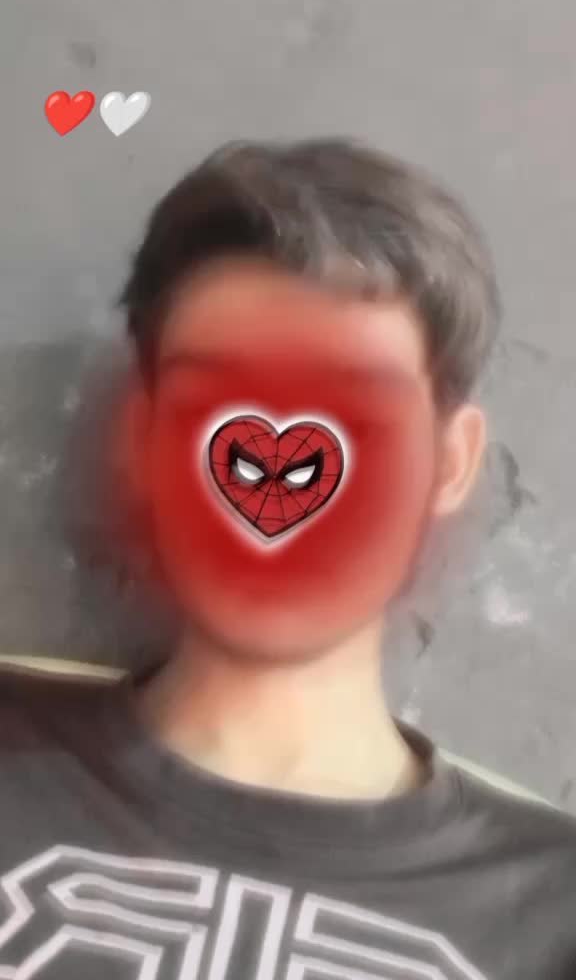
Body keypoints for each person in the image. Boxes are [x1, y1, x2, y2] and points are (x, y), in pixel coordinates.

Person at [0, 139, 574, 980]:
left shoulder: (551, 911)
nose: (271, 484)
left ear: (450, 463)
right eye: (216, 403)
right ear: (147, 437)